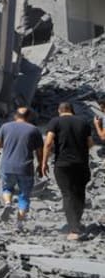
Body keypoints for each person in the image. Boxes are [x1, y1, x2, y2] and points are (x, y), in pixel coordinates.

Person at [41, 102, 93, 241]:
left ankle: (73, 228)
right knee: (79, 193)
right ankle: (77, 222)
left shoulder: (55, 121)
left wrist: (44, 161)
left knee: (67, 194)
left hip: (63, 164)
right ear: (72, 110)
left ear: (60, 110)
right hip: (81, 164)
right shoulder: (83, 122)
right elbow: (90, 144)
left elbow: (48, 142)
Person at [0, 107, 44, 231]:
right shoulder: (34, 130)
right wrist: (41, 165)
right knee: (24, 195)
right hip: (25, 168)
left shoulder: (5, 127)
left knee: (7, 188)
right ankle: (19, 224)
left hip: (7, 166)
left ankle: (8, 203)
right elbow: (40, 152)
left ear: (15, 116)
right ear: (29, 117)